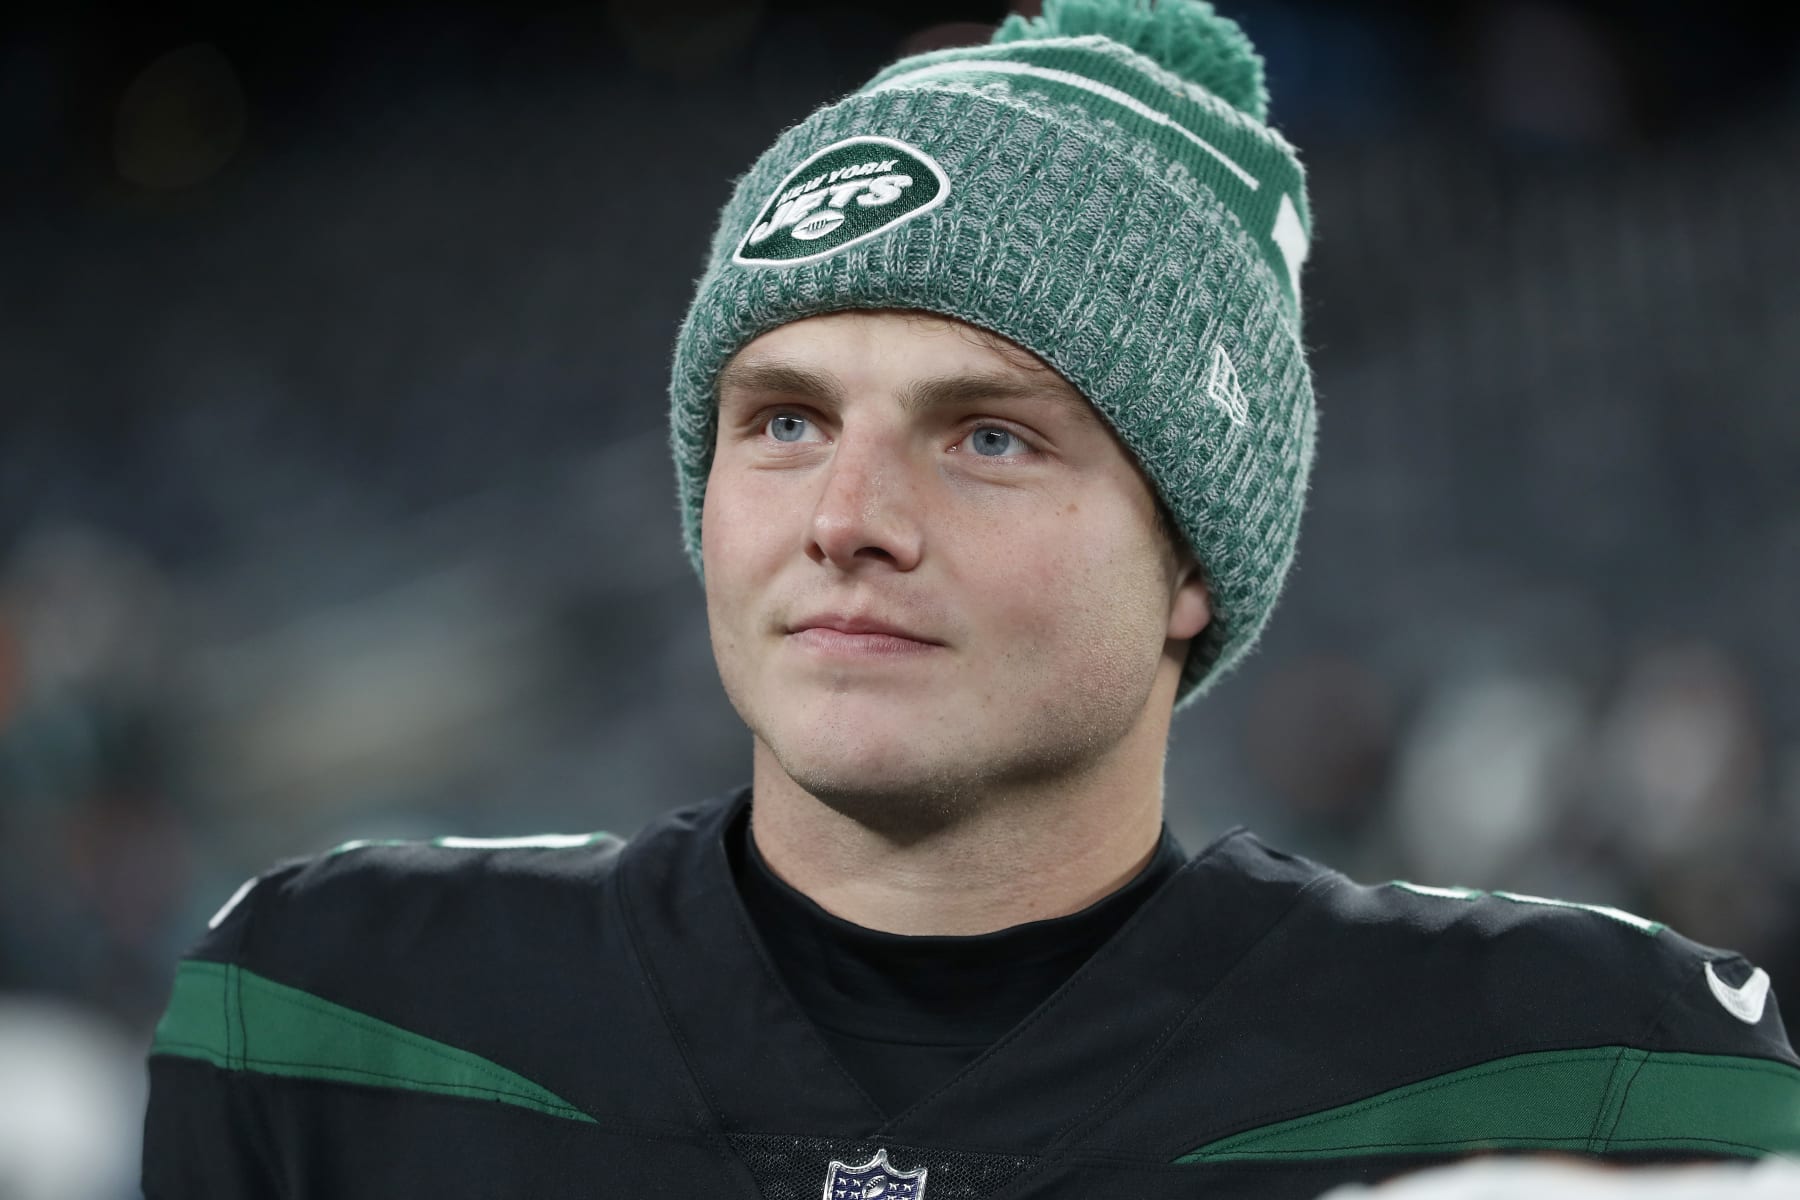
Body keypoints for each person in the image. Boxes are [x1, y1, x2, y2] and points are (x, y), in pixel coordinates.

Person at [140, 2, 1800, 1197]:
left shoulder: (1576, 1071)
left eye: (990, 437)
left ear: (1194, 562)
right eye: (782, 421)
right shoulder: (326, 1004)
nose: (847, 520)